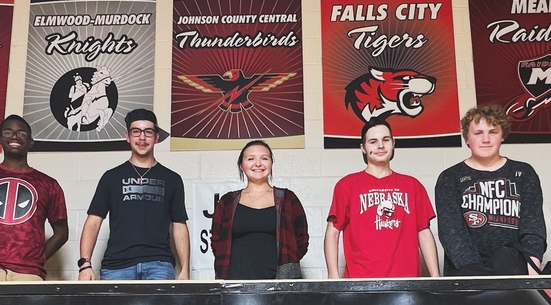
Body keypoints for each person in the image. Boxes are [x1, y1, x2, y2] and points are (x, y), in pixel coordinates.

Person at [434, 105, 546, 276]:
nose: (485, 139)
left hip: (516, 272)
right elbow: (452, 235)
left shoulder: (524, 173)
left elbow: (533, 226)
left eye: (493, 132)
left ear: (502, 136)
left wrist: (531, 268)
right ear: (467, 138)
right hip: (468, 275)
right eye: (478, 133)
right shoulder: (450, 178)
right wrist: (479, 277)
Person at [79, 108, 190, 281]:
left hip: (159, 265)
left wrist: (185, 270)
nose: (142, 138)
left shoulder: (172, 179)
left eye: (148, 132)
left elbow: (179, 225)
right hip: (116, 267)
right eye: (136, 132)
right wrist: (85, 265)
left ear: (156, 137)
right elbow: (93, 222)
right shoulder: (111, 177)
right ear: (128, 137)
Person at [325, 117, 440, 279]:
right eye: (373, 141)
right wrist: (333, 275)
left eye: (386, 140)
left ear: (393, 143)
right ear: (363, 148)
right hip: (361, 283)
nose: (380, 145)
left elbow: (424, 232)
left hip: (406, 282)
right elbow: (333, 232)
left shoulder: (412, 186)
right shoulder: (347, 185)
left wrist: (435, 277)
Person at [0, 115, 68, 281]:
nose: (15, 136)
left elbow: (61, 233)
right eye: (8, 132)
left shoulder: (49, 184)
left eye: (21, 133)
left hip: (29, 273)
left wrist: (36, 258)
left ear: (31, 141)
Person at [210, 140, 310, 279]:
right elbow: (216, 241)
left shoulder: (288, 199)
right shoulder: (227, 201)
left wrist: (286, 268)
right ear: (241, 166)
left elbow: (302, 241)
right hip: (233, 282)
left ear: (271, 164)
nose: (258, 164)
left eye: (264, 158)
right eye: (250, 159)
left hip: (279, 284)